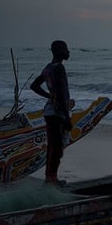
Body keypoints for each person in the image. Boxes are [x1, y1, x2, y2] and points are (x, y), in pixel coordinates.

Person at [30, 40, 73, 185]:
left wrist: (49, 96)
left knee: (53, 146)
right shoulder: (59, 68)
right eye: (66, 49)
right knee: (57, 147)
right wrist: (67, 117)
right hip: (57, 113)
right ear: (59, 50)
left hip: (50, 112)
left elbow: (34, 86)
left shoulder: (48, 68)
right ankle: (51, 179)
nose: (68, 52)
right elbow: (61, 93)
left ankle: (50, 177)